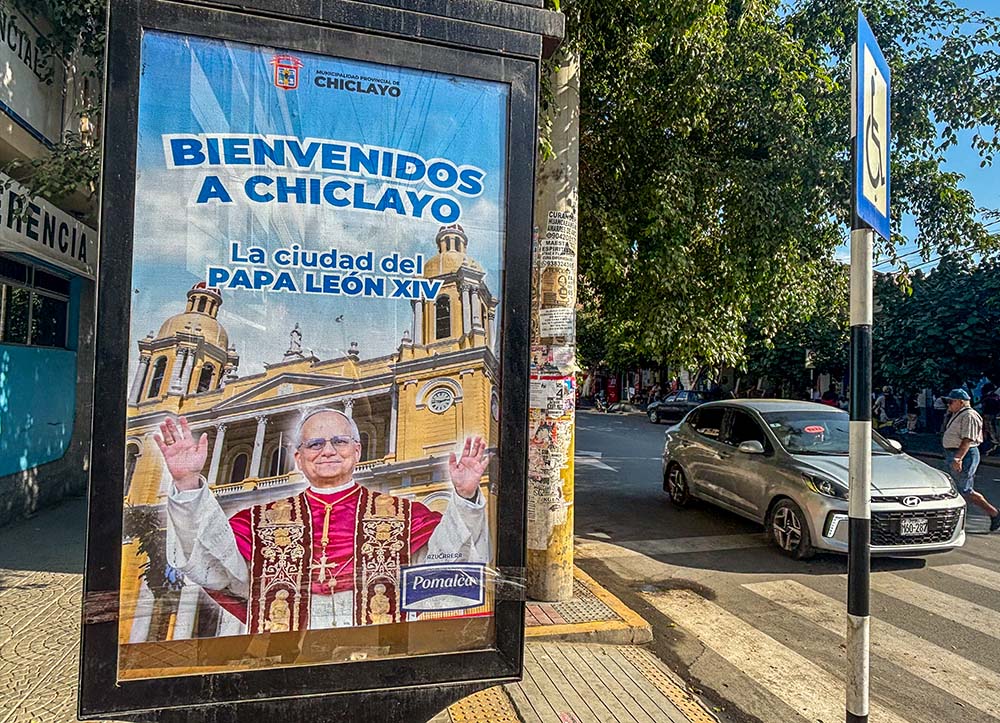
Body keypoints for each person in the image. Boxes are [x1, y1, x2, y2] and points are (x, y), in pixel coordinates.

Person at [159, 408, 491, 632]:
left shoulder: (402, 515)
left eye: (339, 441)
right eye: (315, 443)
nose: (328, 450)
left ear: (357, 451)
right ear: (299, 459)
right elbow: (217, 568)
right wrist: (188, 484)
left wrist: (464, 497)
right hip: (287, 651)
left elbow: (444, 566)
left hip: (377, 647)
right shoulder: (259, 521)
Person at [941, 389, 1000, 533]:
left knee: (964, 490)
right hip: (954, 453)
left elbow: (968, 439)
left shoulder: (969, 415)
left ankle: (994, 514)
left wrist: (958, 458)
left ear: (961, 402)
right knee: (955, 489)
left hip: (964, 455)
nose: (948, 405)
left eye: (950, 402)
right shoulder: (958, 414)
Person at [981, 383, 1000, 455]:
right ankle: (995, 444)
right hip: (995, 415)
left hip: (987, 415)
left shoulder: (985, 398)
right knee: (993, 430)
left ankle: (994, 444)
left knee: (990, 431)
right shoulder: (996, 397)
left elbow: (984, 407)